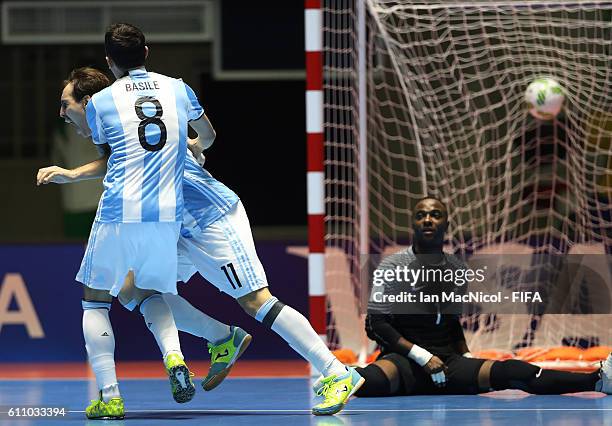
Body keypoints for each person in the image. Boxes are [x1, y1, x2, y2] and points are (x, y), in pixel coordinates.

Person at [39, 59, 364, 415]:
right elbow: (119, 160)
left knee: (256, 301)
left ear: (89, 103)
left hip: (211, 219)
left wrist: (195, 144)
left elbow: (198, 139)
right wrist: (71, 174)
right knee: (136, 289)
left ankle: (336, 371)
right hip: (175, 226)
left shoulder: (132, 122)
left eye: (64, 104)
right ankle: (222, 338)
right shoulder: (126, 130)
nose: (61, 113)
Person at [36, 23, 217, 419]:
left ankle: (111, 395)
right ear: (147, 52)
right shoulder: (177, 88)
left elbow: (115, 154)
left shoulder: (102, 102)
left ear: (108, 60)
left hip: (120, 210)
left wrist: (68, 173)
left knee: (95, 301)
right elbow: (206, 136)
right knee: (149, 292)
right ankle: (174, 359)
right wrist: (194, 150)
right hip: (167, 215)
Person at [350, 196, 612, 397]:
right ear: (414, 223)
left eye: (435, 214)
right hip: (403, 362)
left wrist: (465, 359)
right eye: (421, 215)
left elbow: (450, 323)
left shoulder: (456, 269)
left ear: (445, 223)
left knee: (516, 372)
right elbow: (376, 325)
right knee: (363, 383)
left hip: (447, 363)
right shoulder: (392, 267)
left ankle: (598, 379)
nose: (428, 219)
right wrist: (422, 357)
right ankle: (333, 378)